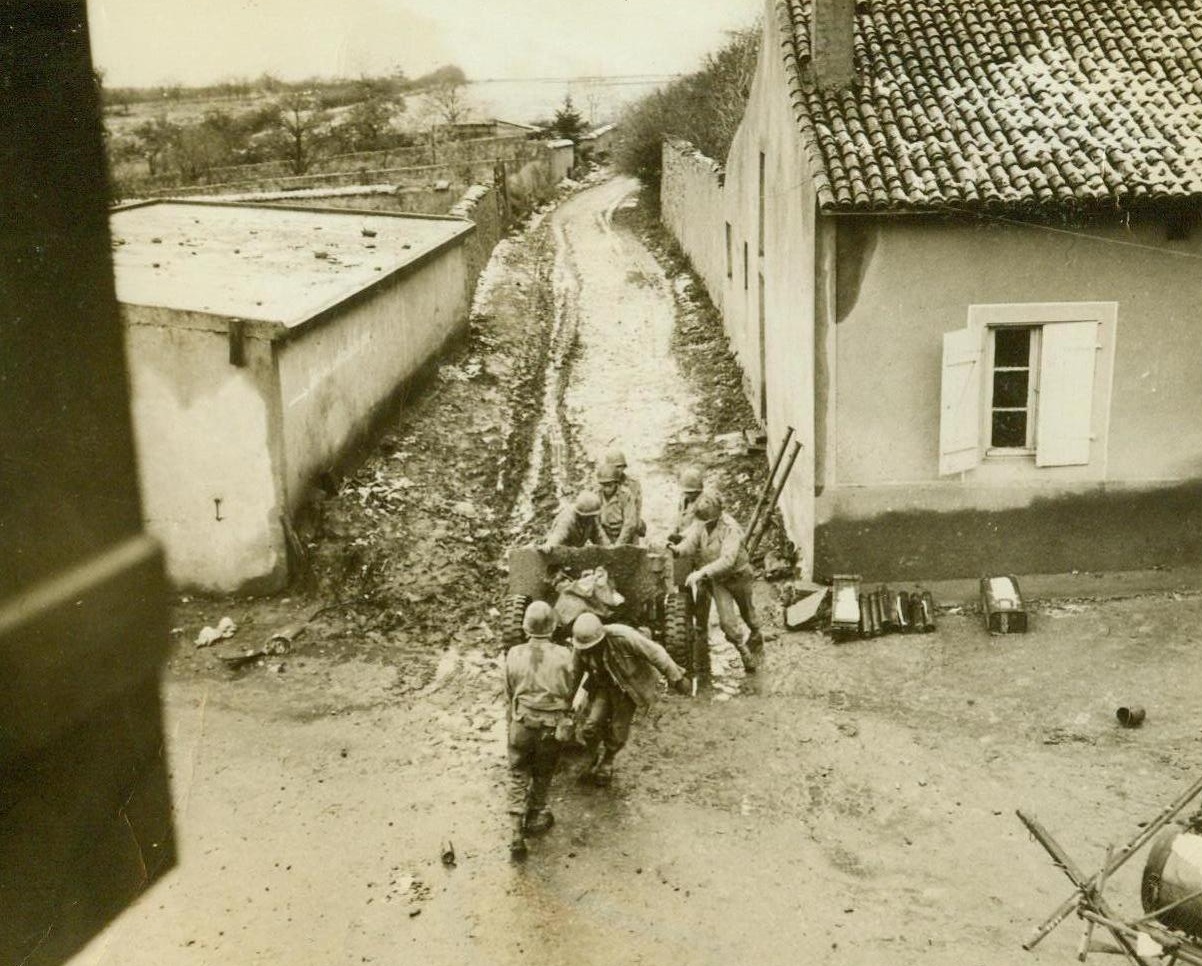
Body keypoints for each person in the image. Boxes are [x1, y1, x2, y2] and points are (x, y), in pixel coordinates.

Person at [570, 612, 690, 786]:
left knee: (618, 730)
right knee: (590, 725)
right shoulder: (580, 647)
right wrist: (565, 703)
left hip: (628, 688)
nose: (589, 650)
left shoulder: (623, 636)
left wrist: (677, 678)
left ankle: (608, 761)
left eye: (593, 646)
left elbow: (656, 653)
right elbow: (574, 675)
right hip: (602, 687)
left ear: (601, 638)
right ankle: (592, 754)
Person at [504, 600, 583, 860]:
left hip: (522, 724)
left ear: (526, 627)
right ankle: (537, 813)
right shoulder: (565, 655)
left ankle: (516, 832)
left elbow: (509, 692)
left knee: (517, 774)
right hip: (550, 727)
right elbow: (571, 690)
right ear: (553, 627)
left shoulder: (513, 653)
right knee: (543, 772)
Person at [677, 491, 763, 675]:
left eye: (707, 521)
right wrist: (677, 550)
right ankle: (744, 651)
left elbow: (728, 560)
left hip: (739, 576)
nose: (703, 524)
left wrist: (701, 572)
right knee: (727, 622)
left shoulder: (730, 528)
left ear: (717, 514)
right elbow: (690, 543)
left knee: (748, 612)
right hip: (718, 580)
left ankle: (756, 633)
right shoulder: (701, 523)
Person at [599, 448, 644, 539]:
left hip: (629, 527)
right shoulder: (601, 484)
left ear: (624, 467)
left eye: (620, 466)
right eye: (614, 467)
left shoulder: (633, 484)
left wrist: (635, 525)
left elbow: (637, 508)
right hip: (608, 529)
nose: (618, 470)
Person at [541, 490, 609, 551]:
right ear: (580, 514)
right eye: (588, 517)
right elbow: (559, 534)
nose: (591, 518)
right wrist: (550, 545)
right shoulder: (568, 518)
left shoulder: (591, 518)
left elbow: (599, 536)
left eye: (593, 516)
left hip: (576, 551)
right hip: (562, 551)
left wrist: (609, 548)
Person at [596, 460, 640, 545]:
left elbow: (629, 523)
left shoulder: (625, 495)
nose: (607, 488)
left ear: (616, 483)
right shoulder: (597, 495)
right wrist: (605, 542)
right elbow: (596, 523)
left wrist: (619, 544)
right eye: (604, 485)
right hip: (604, 536)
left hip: (623, 535)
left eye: (609, 485)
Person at [667, 465, 705, 545]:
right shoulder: (683, 500)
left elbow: (698, 526)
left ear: (699, 491)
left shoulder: (704, 504)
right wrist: (675, 530)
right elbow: (679, 517)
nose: (688, 495)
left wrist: (681, 536)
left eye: (691, 493)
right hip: (681, 540)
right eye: (686, 492)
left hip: (694, 542)